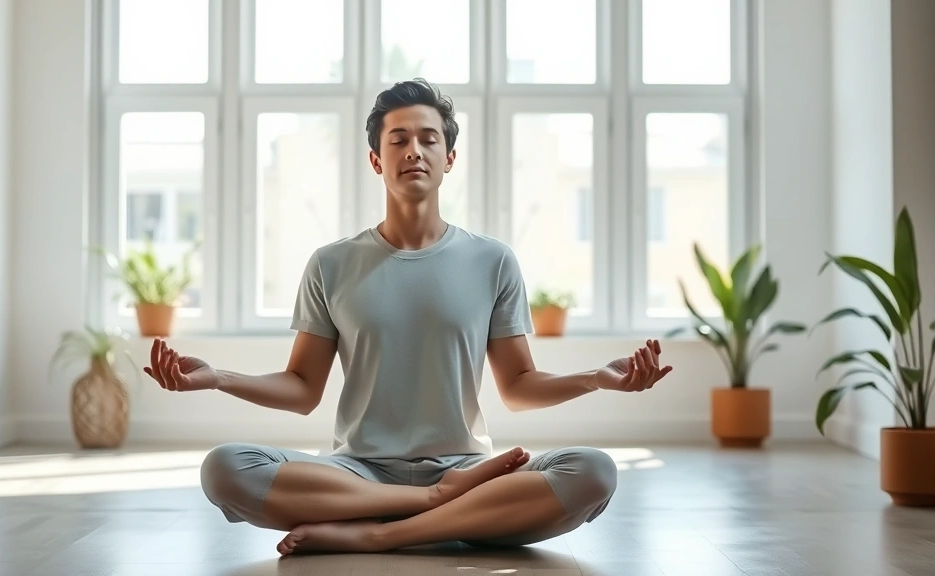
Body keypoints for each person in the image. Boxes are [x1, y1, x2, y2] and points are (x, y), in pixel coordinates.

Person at [143, 78, 672, 556]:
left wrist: (597, 379)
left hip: (467, 469)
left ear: (450, 157)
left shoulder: (493, 261)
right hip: (356, 472)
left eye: (428, 139)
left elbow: (518, 385)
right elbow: (303, 388)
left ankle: (382, 531)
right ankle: (439, 510)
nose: (413, 150)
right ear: (376, 159)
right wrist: (217, 379)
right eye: (398, 139)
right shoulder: (332, 263)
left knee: (593, 472)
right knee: (225, 468)